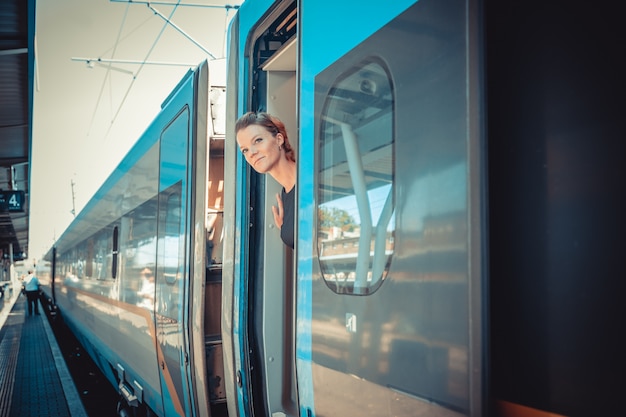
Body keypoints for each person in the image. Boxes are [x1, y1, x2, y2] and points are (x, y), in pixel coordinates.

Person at [235, 111, 296, 249]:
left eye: (258, 140)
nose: (252, 153)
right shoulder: (285, 196)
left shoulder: (310, 180)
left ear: (279, 139)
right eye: (244, 150)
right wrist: (286, 231)